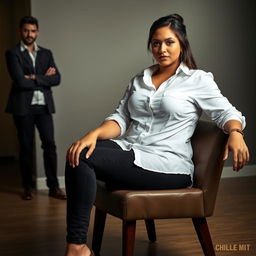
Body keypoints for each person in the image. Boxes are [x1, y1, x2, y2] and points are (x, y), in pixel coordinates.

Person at [64, 14, 249, 256]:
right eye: (155, 43)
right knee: (78, 151)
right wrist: (94, 134)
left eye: (169, 42)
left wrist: (235, 132)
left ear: (182, 44)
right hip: (133, 150)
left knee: (86, 158)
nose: (162, 49)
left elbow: (227, 113)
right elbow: (120, 119)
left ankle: (76, 247)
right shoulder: (140, 79)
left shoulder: (197, 80)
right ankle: (78, 246)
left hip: (167, 165)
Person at [5, 16, 66, 200]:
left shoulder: (46, 53)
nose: (29, 34)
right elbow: (20, 81)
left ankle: (54, 187)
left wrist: (32, 77)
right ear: (20, 31)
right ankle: (27, 187)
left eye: (32, 31)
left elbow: (57, 79)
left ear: (37, 32)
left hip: (44, 106)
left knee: (50, 145)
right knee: (26, 146)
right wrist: (42, 78)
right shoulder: (12, 53)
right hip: (23, 107)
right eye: (26, 31)